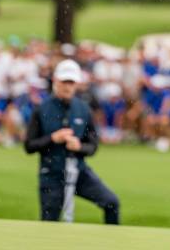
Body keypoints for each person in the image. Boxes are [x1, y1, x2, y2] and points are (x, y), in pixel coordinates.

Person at [24, 59, 120, 224]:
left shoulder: (83, 109)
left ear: (77, 84)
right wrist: (52, 139)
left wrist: (79, 147)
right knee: (50, 220)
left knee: (111, 202)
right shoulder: (42, 109)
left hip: (79, 171)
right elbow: (29, 146)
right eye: (64, 81)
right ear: (55, 81)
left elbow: (93, 145)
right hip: (52, 173)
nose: (67, 86)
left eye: (71, 82)